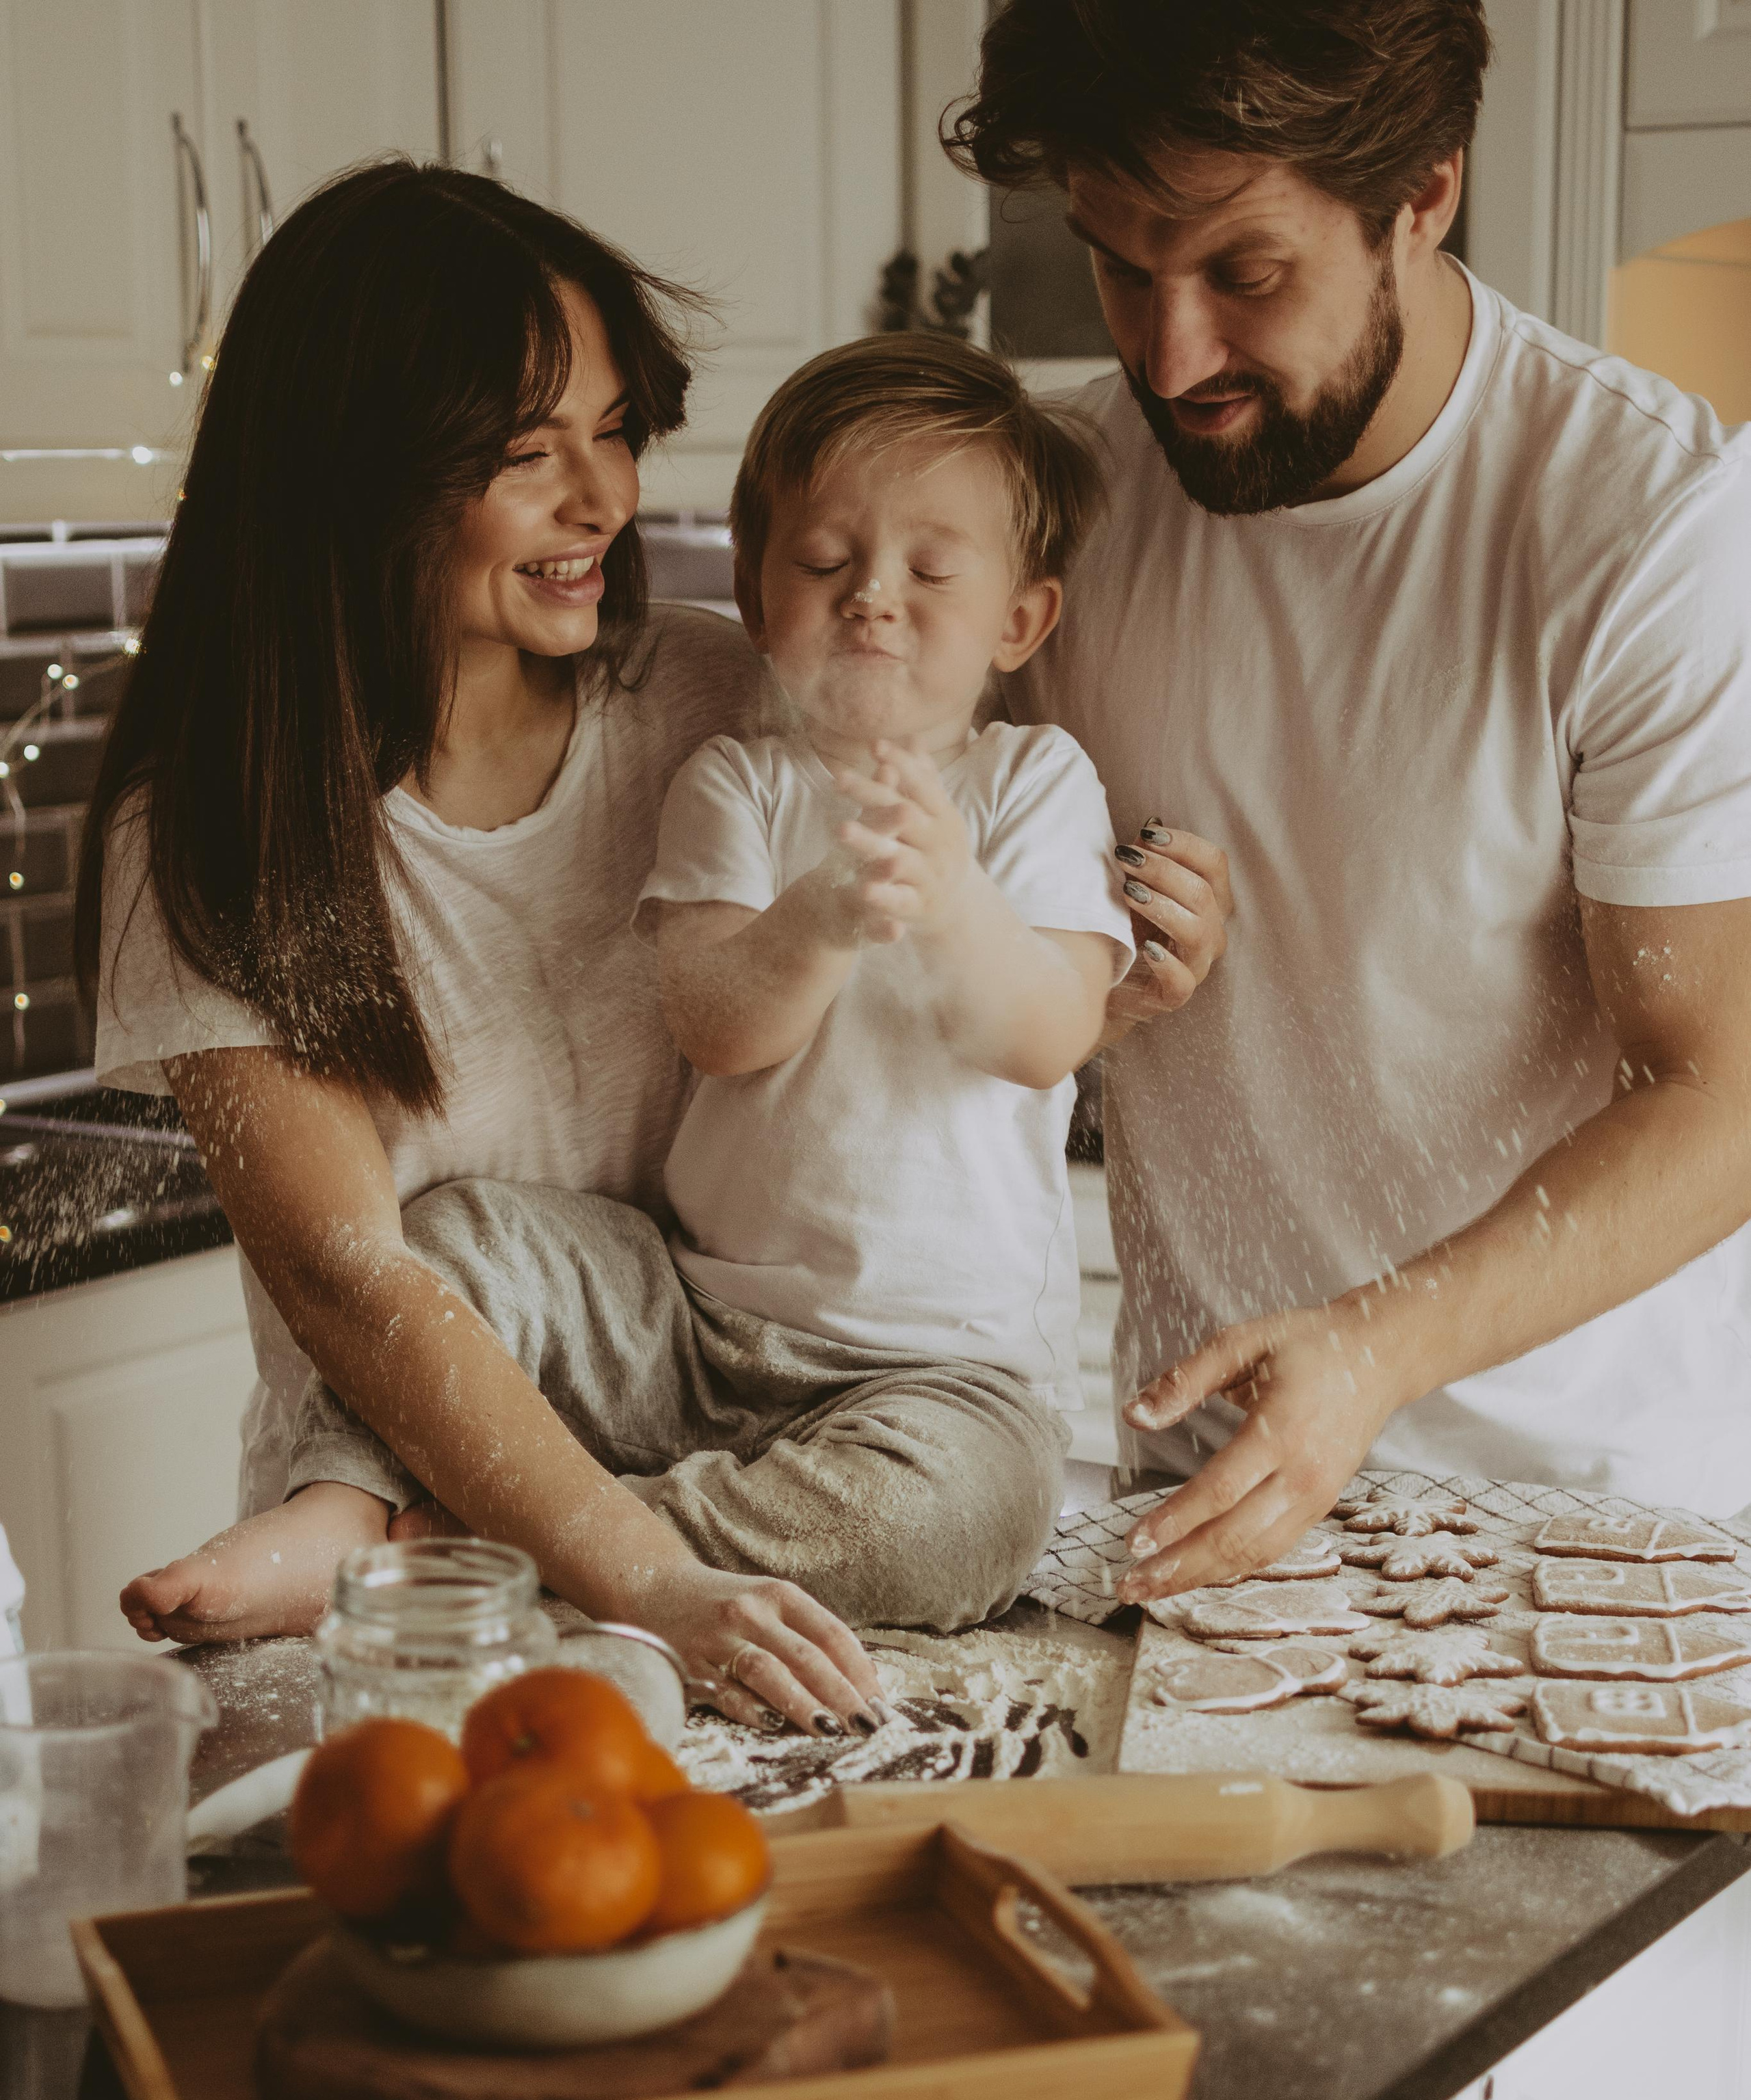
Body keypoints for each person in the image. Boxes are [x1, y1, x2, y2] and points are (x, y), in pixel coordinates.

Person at [951, 0, 1751, 1606]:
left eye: (1243, 274)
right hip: (1197, 1499)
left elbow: (1714, 1096)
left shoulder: (1639, 523)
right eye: (1118, 265)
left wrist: (1375, 1351)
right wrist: (1078, 988)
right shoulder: (1061, 511)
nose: (1168, 356)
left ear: (1423, 191)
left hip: (1581, 1526)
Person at [83, 161, 881, 1731]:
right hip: (422, 1578)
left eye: (615, 430)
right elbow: (342, 1270)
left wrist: (1111, 954)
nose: (602, 500)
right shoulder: (213, 830)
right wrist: (642, 1579)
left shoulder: (710, 708)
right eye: (528, 454)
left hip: (719, 1509)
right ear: (360, 477)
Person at [209, 335, 1154, 1648]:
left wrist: (954, 904)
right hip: (692, 1314)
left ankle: (524, 1541)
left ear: (1020, 620)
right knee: (462, 1235)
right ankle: (342, 1501)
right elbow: (715, 1024)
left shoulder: (1032, 785)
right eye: (826, 564)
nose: (874, 598)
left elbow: (1047, 1036)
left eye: (931, 571)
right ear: (760, 605)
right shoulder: (738, 782)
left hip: (936, 1371)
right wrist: (824, 909)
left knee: (964, 1521)